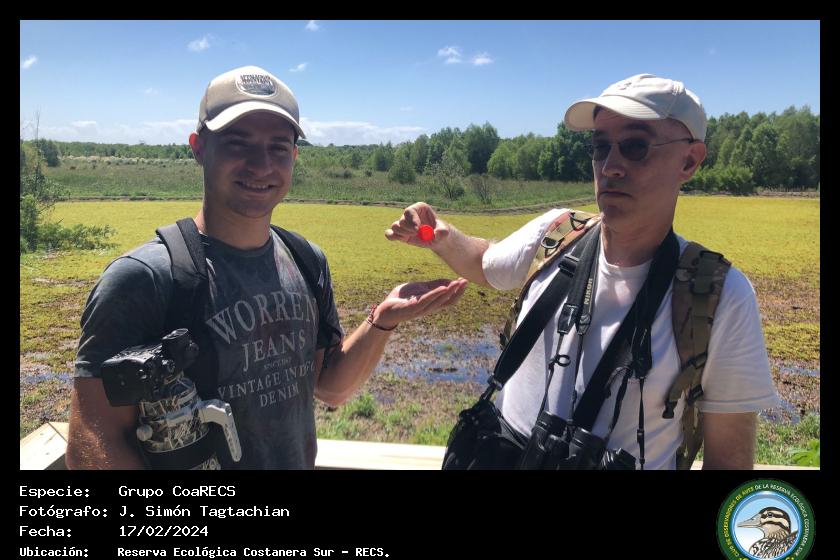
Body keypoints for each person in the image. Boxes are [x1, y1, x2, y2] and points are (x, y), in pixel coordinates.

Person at [66, 65, 467, 469]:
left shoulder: (306, 259)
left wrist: (382, 321)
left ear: (293, 156)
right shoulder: (143, 279)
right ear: (198, 148)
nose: (260, 165)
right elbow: (92, 444)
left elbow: (330, 387)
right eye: (238, 143)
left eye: (277, 147)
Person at [386, 73, 778, 470]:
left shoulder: (720, 296)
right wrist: (442, 238)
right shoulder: (558, 232)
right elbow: (486, 264)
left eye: (636, 146)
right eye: (600, 146)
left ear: (689, 161)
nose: (611, 166)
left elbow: (729, 461)